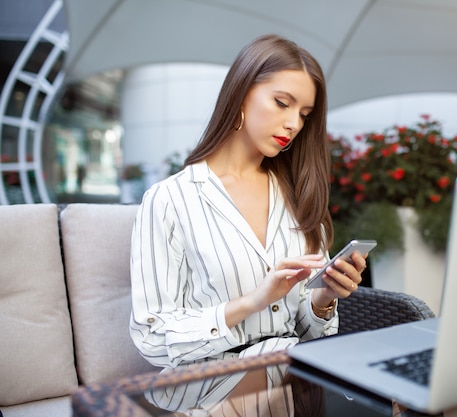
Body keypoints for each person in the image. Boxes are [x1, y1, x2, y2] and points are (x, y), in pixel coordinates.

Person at [129, 34, 368, 415]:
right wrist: (252, 303)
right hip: (208, 390)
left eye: (304, 115)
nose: (293, 124)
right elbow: (152, 337)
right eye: (281, 103)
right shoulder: (171, 199)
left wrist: (323, 300)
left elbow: (309, 334)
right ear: (241, 93)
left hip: (291, 379)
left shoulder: (299, 198)